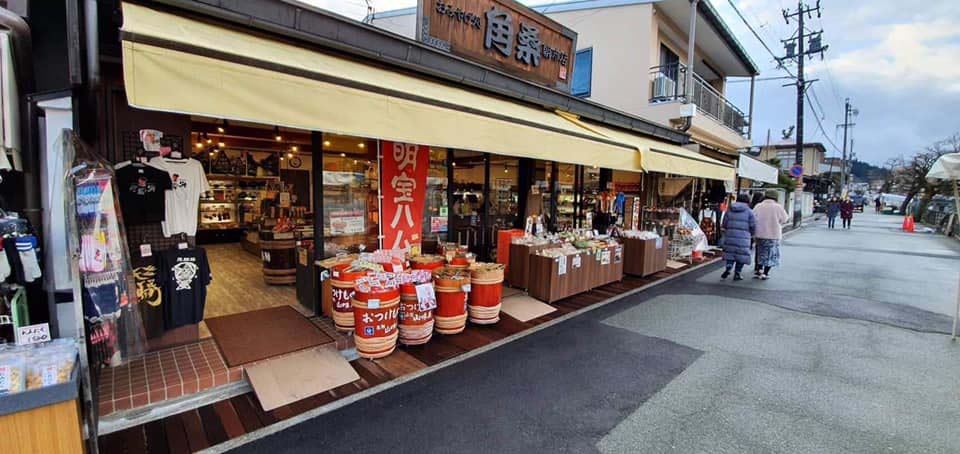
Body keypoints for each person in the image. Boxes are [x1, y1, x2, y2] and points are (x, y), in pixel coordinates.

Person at [752, 190, 790, 280]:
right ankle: (765, 273)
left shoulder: (758, 206)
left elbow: (753, 218)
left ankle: (759, 269)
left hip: (759, 234)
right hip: (773, 235)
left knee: (760, 252)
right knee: (771, 254)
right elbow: (785, 219)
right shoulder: (778, 207)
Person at [721, 193, 756, 281]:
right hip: (744, 237)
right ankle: (737, 273)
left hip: (730, 235)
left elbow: (724, 223)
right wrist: (752, 234)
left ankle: (728, 267)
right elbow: (753, 225)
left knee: (730, 253)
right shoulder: (749, 212)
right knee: (741, 255)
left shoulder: (730, 210)